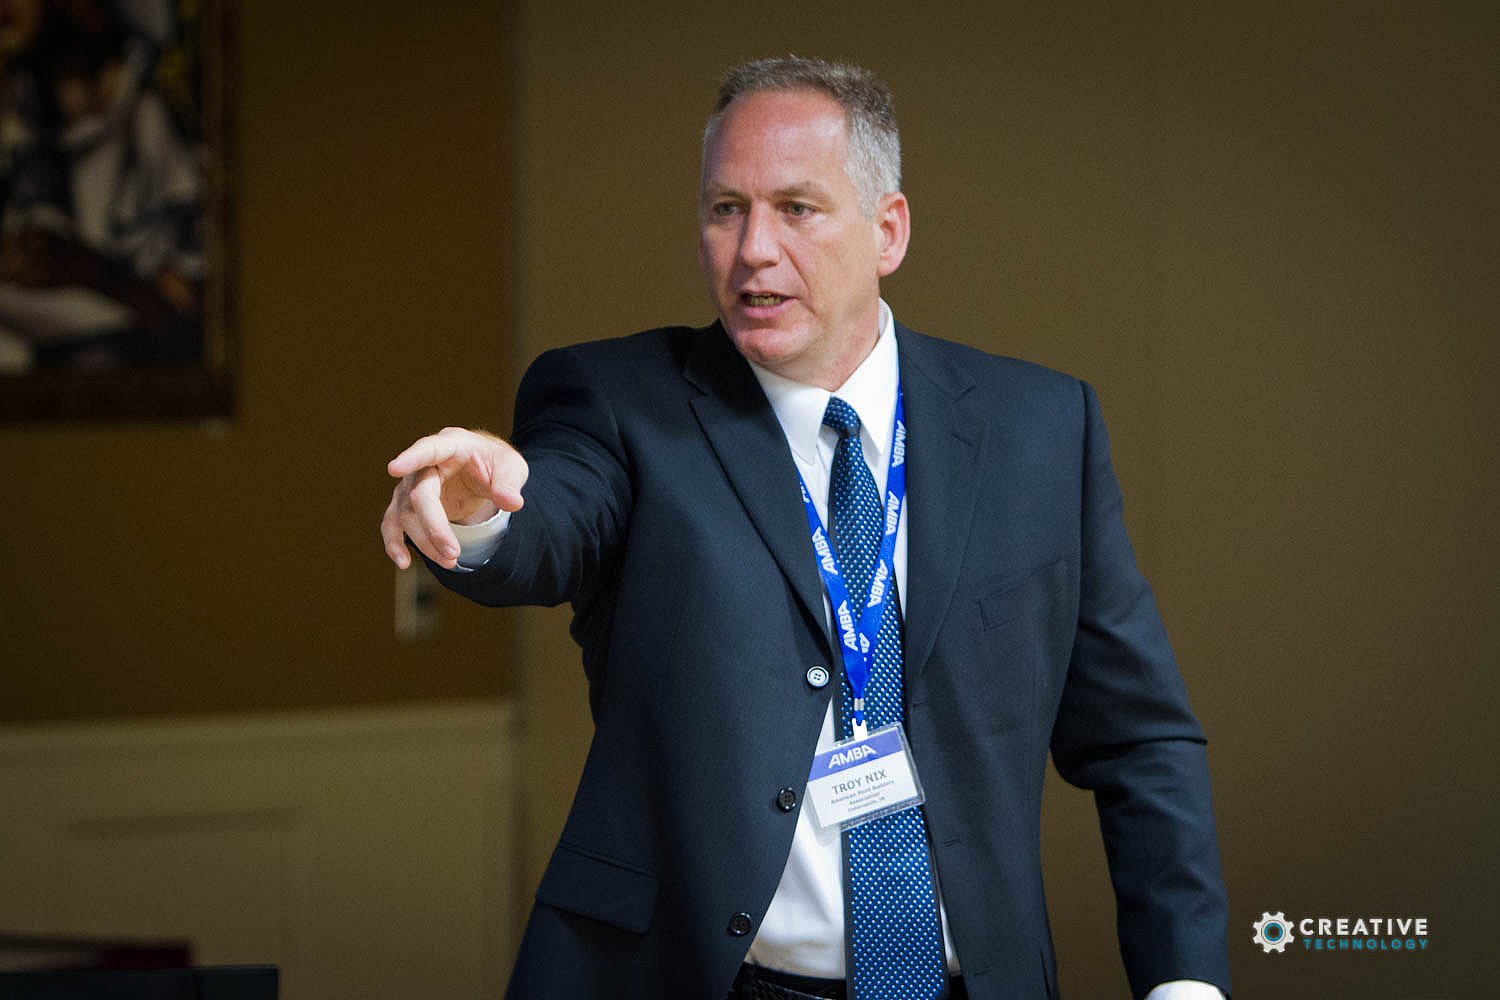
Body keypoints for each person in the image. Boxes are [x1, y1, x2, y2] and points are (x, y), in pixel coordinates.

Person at [381, 57, 1231, 1000]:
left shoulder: (1039, 429)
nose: (754, 249)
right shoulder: (619, 405)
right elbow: (554, 522)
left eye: (797, 208)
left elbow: (1138, 737)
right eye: (725, 210)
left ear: (888, 231)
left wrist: (1184, 983)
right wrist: (481, 510)